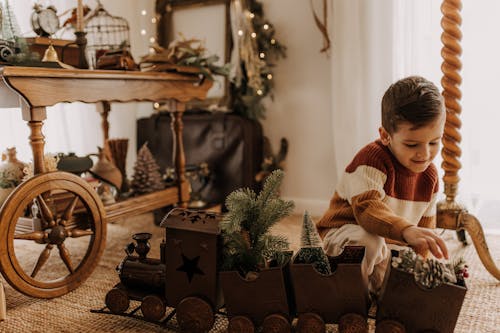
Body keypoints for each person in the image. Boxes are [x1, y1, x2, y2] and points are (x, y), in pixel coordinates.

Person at [316, 75, 449, 294]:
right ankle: (347, 296)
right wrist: (407, 230)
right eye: (412, 144)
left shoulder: (430, 176)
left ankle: (379, 290)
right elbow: (368, 210)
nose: (425, 154)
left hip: (391, 240)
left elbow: (424, 232)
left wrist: (418, 265)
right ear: (386, 136)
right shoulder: (372, 159)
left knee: (415, 276)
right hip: (347, 233)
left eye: (434, 142)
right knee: (371, 243)